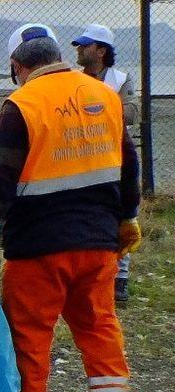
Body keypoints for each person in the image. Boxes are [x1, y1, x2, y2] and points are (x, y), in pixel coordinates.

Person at [0, 23, 141, 392]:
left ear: (17, 66)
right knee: (100, 328)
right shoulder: (103, 96)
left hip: (38, 250)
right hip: (98, 244)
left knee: (30, 337)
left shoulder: (21, 105)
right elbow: (129, 164)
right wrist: (127, 217)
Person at [71, 23, 139, 304]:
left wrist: (96, 108)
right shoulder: (74, 79)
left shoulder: (121, 80)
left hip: (114, 158)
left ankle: (120, 277)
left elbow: (133, 111)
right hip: (82, 158)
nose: (78, 50)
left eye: (85, 46)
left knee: (122, 213)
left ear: (101, 51)